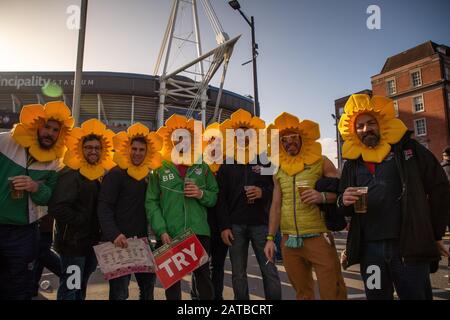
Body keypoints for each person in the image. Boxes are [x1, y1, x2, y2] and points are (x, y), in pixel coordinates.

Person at [336, 94, 450, 300]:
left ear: (381, 123)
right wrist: (342, 201)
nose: (366, 129)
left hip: (408, 247)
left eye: (371, 123)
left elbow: (439, 187)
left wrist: (435, 233)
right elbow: (341, 204)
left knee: (415, 296)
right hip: (370, 252)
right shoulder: (351, 163)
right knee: (377, 296)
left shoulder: (408, 149)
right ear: (353, 131)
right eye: (359, 126)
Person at [264, 112, 347, 300]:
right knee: (302, 294)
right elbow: (276, 205)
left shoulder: (321, 161)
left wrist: (322, 196)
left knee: (332, 291)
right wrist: (270, 238)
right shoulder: (277, 168)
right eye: (284, 139)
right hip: (289, 240)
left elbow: (343, 192)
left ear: (302, 138)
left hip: (318, 235)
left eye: (293, 137)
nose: (289, 142)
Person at [0, 101, 73, 300]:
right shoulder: (5, 142)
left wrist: (36, 187)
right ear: (35, 125)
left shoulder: (54, 161)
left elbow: (49, 196)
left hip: (25, 231)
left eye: (55, 130)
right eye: (46, 127)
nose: (49, 133)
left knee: (20, 284)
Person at [146, 114, 218, 300]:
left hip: (199, 232)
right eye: (177, 138)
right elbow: (151, 202)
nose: (181, 142)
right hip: (170, 234)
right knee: (172, 284)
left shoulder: (202, 165)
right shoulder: (160, 167)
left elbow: (214, 195)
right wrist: (161, 230)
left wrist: (201, 194)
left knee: (203, 280)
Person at [217, 109, 282, 300]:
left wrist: (263, 192)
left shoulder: (265, 160)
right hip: (235, 226)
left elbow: (277, 189)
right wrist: (224, 226)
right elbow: (220, 198)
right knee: (238, 274)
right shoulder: (226, 162)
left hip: (261, 224)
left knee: (269, 271)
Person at [49, 119, 115, 300]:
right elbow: (57, 208)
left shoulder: (96, 174)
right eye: (89, 147)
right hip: (72, 245)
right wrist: (84, 220)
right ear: (81, 149)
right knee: (71, 287)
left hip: (89, 244)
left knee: (81, 285)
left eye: (97, 148)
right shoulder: (70, 174)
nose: (93, 151)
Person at [32, 215, 62, 297]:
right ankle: (32, 288)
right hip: (40, 224)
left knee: (41, 254)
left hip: (43, 224)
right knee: (39, 255)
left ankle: (32, 288)